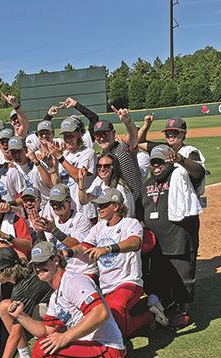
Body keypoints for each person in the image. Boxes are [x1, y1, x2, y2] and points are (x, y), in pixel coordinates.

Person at [8, 242, 125, 358]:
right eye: (35, 265)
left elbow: (100, 313)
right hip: (95, 351)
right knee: (45, 344)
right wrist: (21, 316)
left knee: (42, 351)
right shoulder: (56, 296)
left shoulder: (74, 280)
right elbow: (45, 331)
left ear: (56, 260)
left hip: (109, 352)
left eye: (43, 262)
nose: (38, 268)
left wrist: (65, 337)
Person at [64, 188, 167, 336]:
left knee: (117, 322)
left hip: (128, 282)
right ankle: (147, 309)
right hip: (107, 288)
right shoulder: (98, 227)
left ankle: (149, 316)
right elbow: (84, 246)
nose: (99, 208)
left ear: (116, 206)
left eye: (104, 205)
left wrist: (107, 249)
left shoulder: (130, 224)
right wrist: (68, 252)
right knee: (102, 322)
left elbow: (134, 243)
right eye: (99, 205)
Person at [142, 145, 202, 329]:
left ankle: (182, 312)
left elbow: (198, 172)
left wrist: (181, 160)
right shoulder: (147, 185)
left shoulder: (183, 177)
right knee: (161, 279)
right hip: (156, 245)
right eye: (153, 162)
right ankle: (166, 306)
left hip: (179, 241)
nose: (157, 166)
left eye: (161, 161)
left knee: (183, 280)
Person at [0, 247, 54, 358]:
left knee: (35, 312)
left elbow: (15, 335)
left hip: (64, 315)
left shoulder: (23, 289)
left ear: (7, 270)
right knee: (5, 306)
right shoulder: (25, 273)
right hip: (54, 306)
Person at [33, 184, 99, 282]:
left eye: (59, 202)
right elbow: (49, 252)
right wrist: (40, 232)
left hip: (85, 272)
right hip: (67, 274)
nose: (55, 206)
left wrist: (54, 231)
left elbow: (82, 247)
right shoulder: (53, 222)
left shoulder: (80, 219)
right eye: (52, 203)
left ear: (68, 201)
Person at [138, 116, 207, 207]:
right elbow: (138, 142)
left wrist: (181, 159)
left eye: (175, 132)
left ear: (184, 134)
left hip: (184, 203)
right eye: (167, 133)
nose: (170, 135)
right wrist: (147, 125)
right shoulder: (161, 148)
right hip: (163, 200)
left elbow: (198, 173)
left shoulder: (190, 152)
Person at [0, 186, 32, 260]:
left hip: (17, 265)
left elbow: (28, 246)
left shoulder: (16, 220)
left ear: (0, 203)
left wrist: (7, 237)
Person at [85, 152, 135, 218]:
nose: (102, 169)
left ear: (114, 167)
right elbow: (84, 200)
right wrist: (81, 180)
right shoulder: (99, 183)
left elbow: (127, 214)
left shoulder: (121, 188)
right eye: (99, 166)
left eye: (107, 166)